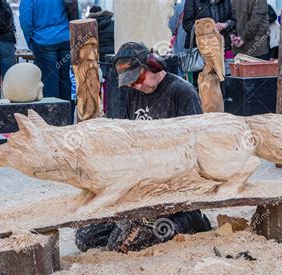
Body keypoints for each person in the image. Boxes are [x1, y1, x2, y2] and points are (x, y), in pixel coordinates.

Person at [75, 42, 211, 253]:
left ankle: (189, 220)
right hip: (139, 184)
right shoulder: (131, 95)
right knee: (86, 238)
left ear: (154, 65)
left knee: (120, 244)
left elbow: (197, 148)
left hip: (172, 186)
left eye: (138, 79)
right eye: (131, 83)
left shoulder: (182, 92)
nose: (137, 86)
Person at [19, 0, 74, 101]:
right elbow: (74, 10)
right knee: (65, 80)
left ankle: (53, 114)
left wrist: (30, 40)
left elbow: (25, 19)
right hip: (65, 39)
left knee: (49, 81)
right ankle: (67, 114)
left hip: (43, 40)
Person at [182, 0, 236, 86]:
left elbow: (233, 20)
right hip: (201, 51)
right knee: (202, 86)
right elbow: (187, 24)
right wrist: (206, 29)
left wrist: (225, 25)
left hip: (221, 50)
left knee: (223, 84)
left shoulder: (226, 1)